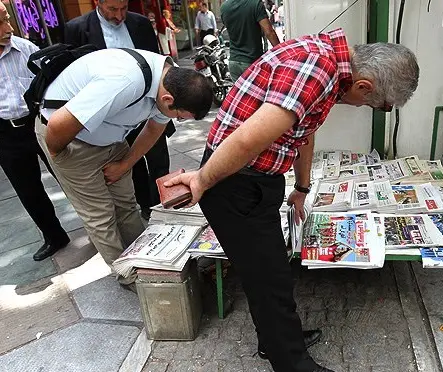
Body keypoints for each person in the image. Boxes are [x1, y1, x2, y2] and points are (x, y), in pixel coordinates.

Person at [164, 29, 419, 372]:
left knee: (268, 273)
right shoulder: (317, 68)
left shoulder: (330, 67)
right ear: (364, 87)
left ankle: (277, 340)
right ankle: (291, 362)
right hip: (234, 180)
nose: (365, 108)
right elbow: (246, 142)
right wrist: (202, 179)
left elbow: (304, 132)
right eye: (374, 106)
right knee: (270, 280)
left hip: (254, 180)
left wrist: (301, 187)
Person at [35, 48, 213, 288]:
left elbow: (154, 128)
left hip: (111, 138)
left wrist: (125, 164)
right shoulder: (123, 81)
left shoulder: (167, 80)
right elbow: (58, 126)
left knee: (126, 205)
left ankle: (144, 259)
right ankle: (128, 275)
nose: (178, 121)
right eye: (180, 117)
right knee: (101, 214)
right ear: (168, 101)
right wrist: (63, 158)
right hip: (70, 141)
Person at [64, 0, 177, 221]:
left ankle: (162, 206)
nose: (119, 15)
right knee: (130, 163)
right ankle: (146, 205)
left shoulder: (141, 23)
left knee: (158, 160)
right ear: (98, 3)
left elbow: (160, 65)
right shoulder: (77, 28)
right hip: (114, 116)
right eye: (112, 10)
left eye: (123, 8)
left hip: (149, 107)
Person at [0, 1, 70, 261]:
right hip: (5, 134)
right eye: (0, 23)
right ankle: (54, 237)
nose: (8, 27)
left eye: (7, 19)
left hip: (40, 123)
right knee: (28, 190)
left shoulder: (26, 49)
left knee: (68, 175)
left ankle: (99, 226)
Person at [221, 0, 280, 81]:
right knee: (258, 93)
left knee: (239, 94)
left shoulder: (224, 7)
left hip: (233, 62)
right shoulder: (255, 4)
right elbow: (269, 32)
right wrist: (281, 52)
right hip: (251, 62)